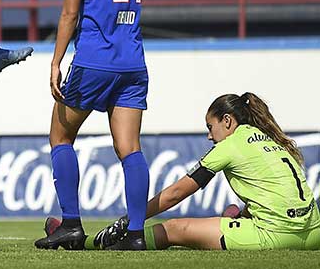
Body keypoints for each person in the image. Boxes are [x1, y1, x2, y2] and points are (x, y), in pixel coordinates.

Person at [34, 0, 149, 251]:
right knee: (130, 149)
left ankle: (70, 225)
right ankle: (134, 234)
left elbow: (70, 14)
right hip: (132, 63)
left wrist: (55, 62)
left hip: (94, 62)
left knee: (60, 137)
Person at [93, 93, 320, 251]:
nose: (209, 136)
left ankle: (95, 243)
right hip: (313, 234)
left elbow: (176, 194)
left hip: (277, 237)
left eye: (210, 127)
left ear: (228, 121)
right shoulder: (269, 139)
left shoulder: (229, 146)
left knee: (173, 228)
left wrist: (129, 220)